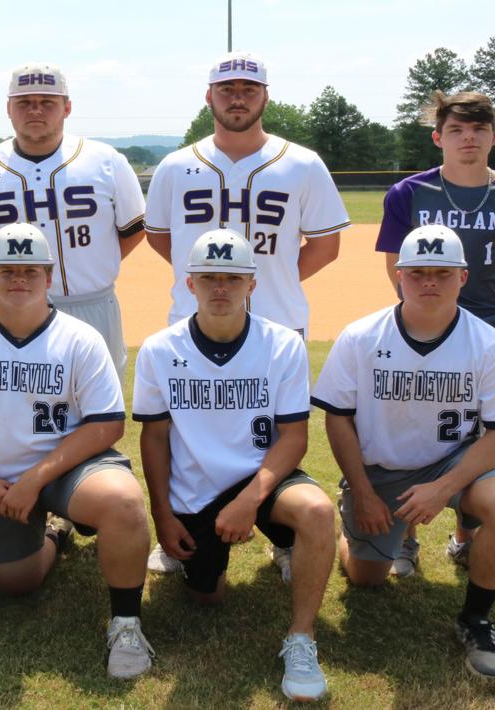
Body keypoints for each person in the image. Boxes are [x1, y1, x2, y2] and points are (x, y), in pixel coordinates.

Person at [0, 223, 155, 679]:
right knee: (11, 583)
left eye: (30, 270)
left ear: (49, 276)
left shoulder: (80, 338)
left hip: (68, 471)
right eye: (8, 270)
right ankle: (56, 533)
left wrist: (35, 479)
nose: (19, 279)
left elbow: (107, 424)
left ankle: (126, 623)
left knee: (122, 501)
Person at [143, 51, 349, 576]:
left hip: (279, 322)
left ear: (265, 97)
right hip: (192, 326)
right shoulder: (175, 166)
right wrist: (212, 288)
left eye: (248, 89)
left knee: (279, 431)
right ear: (209, 97)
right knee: (187, 433)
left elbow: (326, 245)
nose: (238, 98)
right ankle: (181, 526)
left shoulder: (302, 163)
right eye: (227, 89)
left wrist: (271, 281)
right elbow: (161, 238)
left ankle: (283, 534)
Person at [312, 225, 495, 680]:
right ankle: (380, 530)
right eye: (417, 273)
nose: (429, 281)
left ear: (463, 277)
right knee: (366, 579)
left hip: (455, 461)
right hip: (382, 470)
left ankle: (475, 620)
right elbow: (338, 419)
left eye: (442, 273)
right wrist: (363, 493)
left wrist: (442, 488)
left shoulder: (488, 343)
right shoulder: (360, 337)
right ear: (399, 275)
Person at [133, 229, 335, 701]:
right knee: (206, 597)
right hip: (197, 490)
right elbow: (155, 437)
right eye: (209, 278)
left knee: (317, 511)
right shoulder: (160, 349)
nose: (220, 288)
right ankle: (237, 553)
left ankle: (301, 637)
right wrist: (162, 515)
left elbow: (294, 437)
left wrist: (248, 501)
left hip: (263, 478)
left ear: (252, 284)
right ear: (190, 284)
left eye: (232, 278)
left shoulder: (282, 344)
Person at [375, 91, 495, 577]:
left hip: (490, 329)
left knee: (480, 434)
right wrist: (432, 315)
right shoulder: (409, 193)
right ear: (438, 138)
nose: (468, 138)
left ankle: (465, 535)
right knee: (412, 428)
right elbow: (396, 267)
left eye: (479, 129)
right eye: (456, 130)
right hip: (420, 331)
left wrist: (472, 315)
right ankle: (405, 537)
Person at [0, 62, 146, 379]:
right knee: (2, 402)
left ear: (67, 107)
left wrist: (92, 262)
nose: (35, 110)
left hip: (90, 305)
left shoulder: (106, 161)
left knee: (97, 402)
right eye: (24, 102)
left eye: (47, 102)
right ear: (9, 108)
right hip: (6, 308)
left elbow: (133, 230)